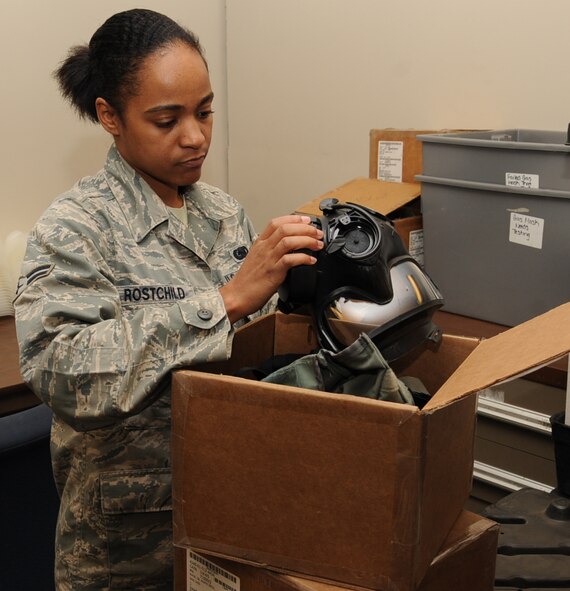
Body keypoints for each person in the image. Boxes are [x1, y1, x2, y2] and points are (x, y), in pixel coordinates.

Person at [13, 8, 323, 591]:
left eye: (205, 111)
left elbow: (254, 352)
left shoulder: (225, 214)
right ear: (110, 115)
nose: (196, 136)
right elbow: (62, 371)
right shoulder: (76, 228)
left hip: (232, 515)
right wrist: (223, 302)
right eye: (166, 119)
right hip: (127, 549)